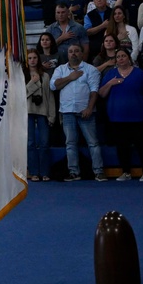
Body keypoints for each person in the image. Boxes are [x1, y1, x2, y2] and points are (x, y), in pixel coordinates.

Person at [99, 48, 143, 181]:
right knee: (122, 146)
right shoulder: (111, 74)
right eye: (118, 56)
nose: (121, 58)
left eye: (123, 56)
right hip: (117, 117)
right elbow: (101, 93)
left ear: (129, 58)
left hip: (139, 117)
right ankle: (125, 172)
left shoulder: (139, 74)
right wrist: (110, 83)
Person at [50, 44, 105, 182]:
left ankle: (99, 171)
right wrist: (70, 77)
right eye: (70, 51)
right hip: (67, 111)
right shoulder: (60, 69)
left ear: (82, 53)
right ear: (67, 54)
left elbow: (94, 91)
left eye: (76, 51)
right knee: (70, 143)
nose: (73, 53)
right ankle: (74, 172)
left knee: (93, 143)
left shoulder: (91, 69)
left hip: (85, 111)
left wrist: (89, 108)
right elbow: (53, 86)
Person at [25, 51, 56, 182]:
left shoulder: (45, 75)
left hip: (43, 111)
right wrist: (32, 82)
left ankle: (45, 172)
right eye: (30, 58)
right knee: (30, 143)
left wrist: (52, 115)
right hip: (27, 111)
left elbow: (49, 96)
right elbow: (20, 95)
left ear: (38, 59)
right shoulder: (22, 75)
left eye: (35, 58)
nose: (32, 60)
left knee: (44, 143)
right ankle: (33, 172)